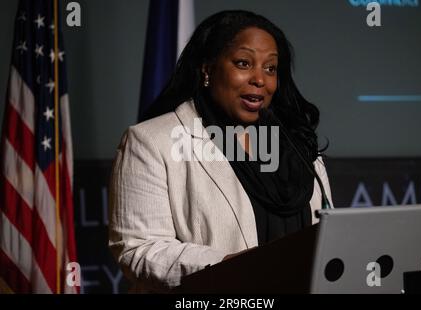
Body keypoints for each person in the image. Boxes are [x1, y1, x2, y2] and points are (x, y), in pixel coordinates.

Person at [109, 10, 333, 293]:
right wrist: (235, 265)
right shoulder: (151, 141)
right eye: (243, 63)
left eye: (270, 68)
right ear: (207, 68)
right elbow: (138, 250)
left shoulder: (299, 146)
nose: (260, 79)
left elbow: (326, 235)